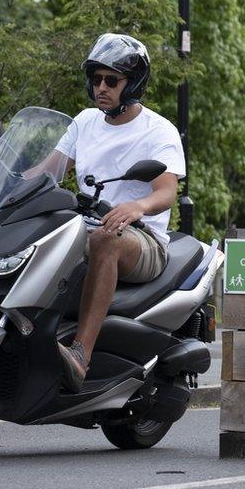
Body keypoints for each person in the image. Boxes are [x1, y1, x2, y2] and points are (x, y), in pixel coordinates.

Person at [48, 33, 186, 392]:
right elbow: (49, 171)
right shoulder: (84, 122)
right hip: (83, 229)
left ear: (133, 83)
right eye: (96, 79)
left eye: (112, 80)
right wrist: (9, 180)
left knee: (104, 239)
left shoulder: (158, 130)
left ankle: (81, 354)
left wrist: (136, 206)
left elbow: (167, 190)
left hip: (141, 238)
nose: (101, 88)